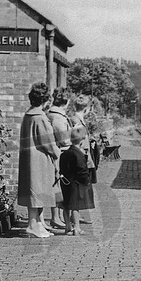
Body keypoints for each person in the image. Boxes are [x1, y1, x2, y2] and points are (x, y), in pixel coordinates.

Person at [17, 82, 60, 238]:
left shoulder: (28, 115)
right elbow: (48, 143)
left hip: (29, 158)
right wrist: (58, 154)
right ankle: (33, 225)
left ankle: (38, 224)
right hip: (40, 160)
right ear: (46, 100)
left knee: (34, 191)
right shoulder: (40, 117)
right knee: (38, 191)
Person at [59, 126, 94, 236]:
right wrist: (87, 180)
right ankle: (77, 228)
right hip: (76, 184)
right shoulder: (79, 155)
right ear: (82, 141)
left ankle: (68, 227)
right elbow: (82, 170)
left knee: (66, 205)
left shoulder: (65, 153)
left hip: (65, 182)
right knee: (75, 206)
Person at [45, 88, 72, 230]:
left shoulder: (52, 114)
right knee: (58, 186)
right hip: (59, 155)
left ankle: (58, 217)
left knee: (57, 184)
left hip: (56, 154)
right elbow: (64, 139)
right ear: (66, 101)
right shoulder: (58, 117)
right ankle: (55, 217)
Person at [70, 94, 96, 224]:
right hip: (80, 156)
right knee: (79, 187)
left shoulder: (78, 119)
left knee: (81, 187)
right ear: (87, 108)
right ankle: (75, 215)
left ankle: (76, 214)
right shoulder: (76, 120)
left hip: (82, 155)